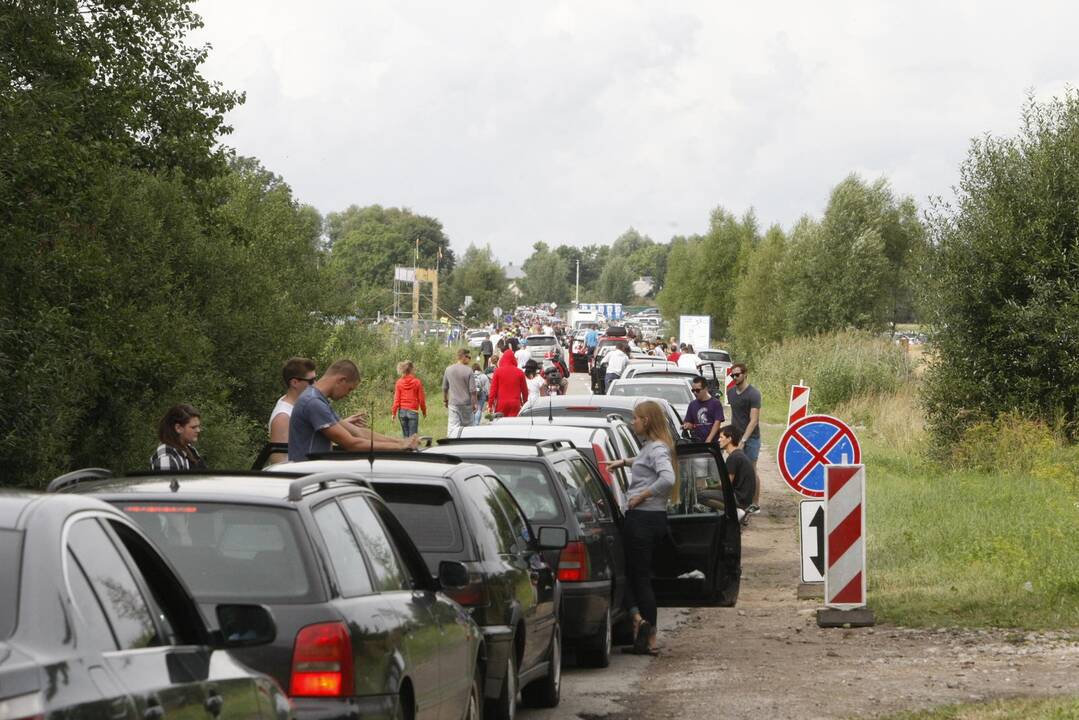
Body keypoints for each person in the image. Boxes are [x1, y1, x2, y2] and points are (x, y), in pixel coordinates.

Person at [602, 400, 677, 655]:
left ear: (646, 421)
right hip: (652, 519)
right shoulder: (653, 447)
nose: (632, 422)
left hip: (643, 519)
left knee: (638, 578)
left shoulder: (657, 449)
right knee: (637, 576)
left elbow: (668, 478)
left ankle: (648, 633)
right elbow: (644, 461)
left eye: (636, 418)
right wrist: (623, 462)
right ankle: (641, 626)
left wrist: (641, 496)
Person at [289, 359, 419, 461]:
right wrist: (400, 447)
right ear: (341, 380)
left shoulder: (319, 400)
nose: (347, 394)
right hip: (305, 477)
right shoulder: (313, 403)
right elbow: (351, 444)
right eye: (349, 389)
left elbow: (358, 432)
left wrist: (401, 441)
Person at [726, 362, 762, 513]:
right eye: (732, 375)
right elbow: (734, 415)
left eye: (737, 374)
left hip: (751, 438)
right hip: (736, 435)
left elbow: (754, 420)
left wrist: (744, 440)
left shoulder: (754, 394)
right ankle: (739, 502)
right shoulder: (731, 392)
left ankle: (755, 503)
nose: (734, 377)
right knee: (735, 468)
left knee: (751, 470)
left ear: (745, 374)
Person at [269, 357, 317, 462]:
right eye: (311, 381)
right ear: (294, 383)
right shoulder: (283, 417)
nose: (315, 384)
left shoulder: (297, 404)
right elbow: (279, 460)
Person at [151, 404, 208, 470]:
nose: (198, 430)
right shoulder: (166, 457)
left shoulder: (190, 450)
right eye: (193, 427)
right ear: (178, 428)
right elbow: (167, 480)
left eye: (198, 426)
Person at [443, 348, 478, 433]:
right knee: (469, 428)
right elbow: (473, 391)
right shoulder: (469, 370)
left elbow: (444, 387)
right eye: (468, 357)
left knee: (453, 428)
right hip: (466, 404)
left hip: (453, 403)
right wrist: (474, 404)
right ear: (463, 357)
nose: (470, 359)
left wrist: (445, 400)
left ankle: (453, 443)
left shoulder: (448, 369)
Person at [683, 375, 724, 444]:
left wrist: (708, 440)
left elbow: (717, 423)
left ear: (705, 389)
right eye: (693, 390)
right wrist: (688, 425)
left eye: (698, 390)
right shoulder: (692, 404)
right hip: (697, 443)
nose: (695, 393)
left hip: (713, 443)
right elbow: (687, 421)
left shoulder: (715, 403)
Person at [489, 348, 529, 417]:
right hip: (515, 404)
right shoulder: (520, 372)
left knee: (501, 425)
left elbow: (493, 390)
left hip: (501, 404)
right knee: (514, 425)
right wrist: (525, 404)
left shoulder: (497, 371)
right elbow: (525, 391)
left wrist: (490, 404)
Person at [391, 360, 427, 438]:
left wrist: (393, 413)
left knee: (406, 437)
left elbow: (396, 400)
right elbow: (421, 399)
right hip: (413, 411)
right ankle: (412, 450)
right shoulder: (417, 382)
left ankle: (406, 449)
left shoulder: (399, 382)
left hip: (402, 412)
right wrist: (424, 411)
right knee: (413, 438)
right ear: (411, 369)